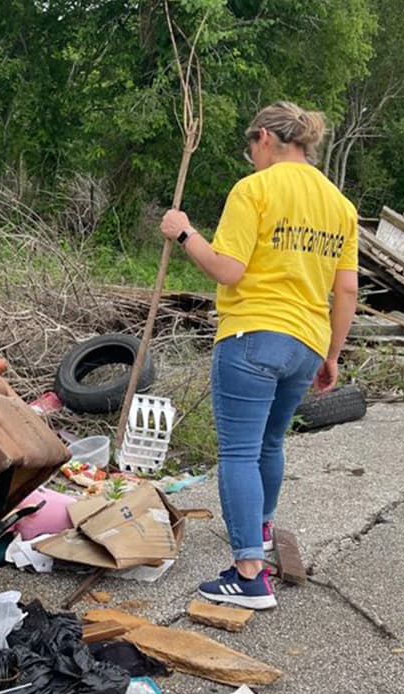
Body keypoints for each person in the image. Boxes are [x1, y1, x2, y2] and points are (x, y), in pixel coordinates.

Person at [159, 101, 359, 610]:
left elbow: (227, 269)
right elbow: (348, 291)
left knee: (239, 453)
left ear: (266, 138)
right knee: (270, 443)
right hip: (307, 342)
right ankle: (262, 531)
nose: (250, 157)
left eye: (251, 147)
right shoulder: (340, 205)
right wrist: (331, 356)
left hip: (253, 335)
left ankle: (249, 574)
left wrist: (184, 233)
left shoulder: (255, 190)